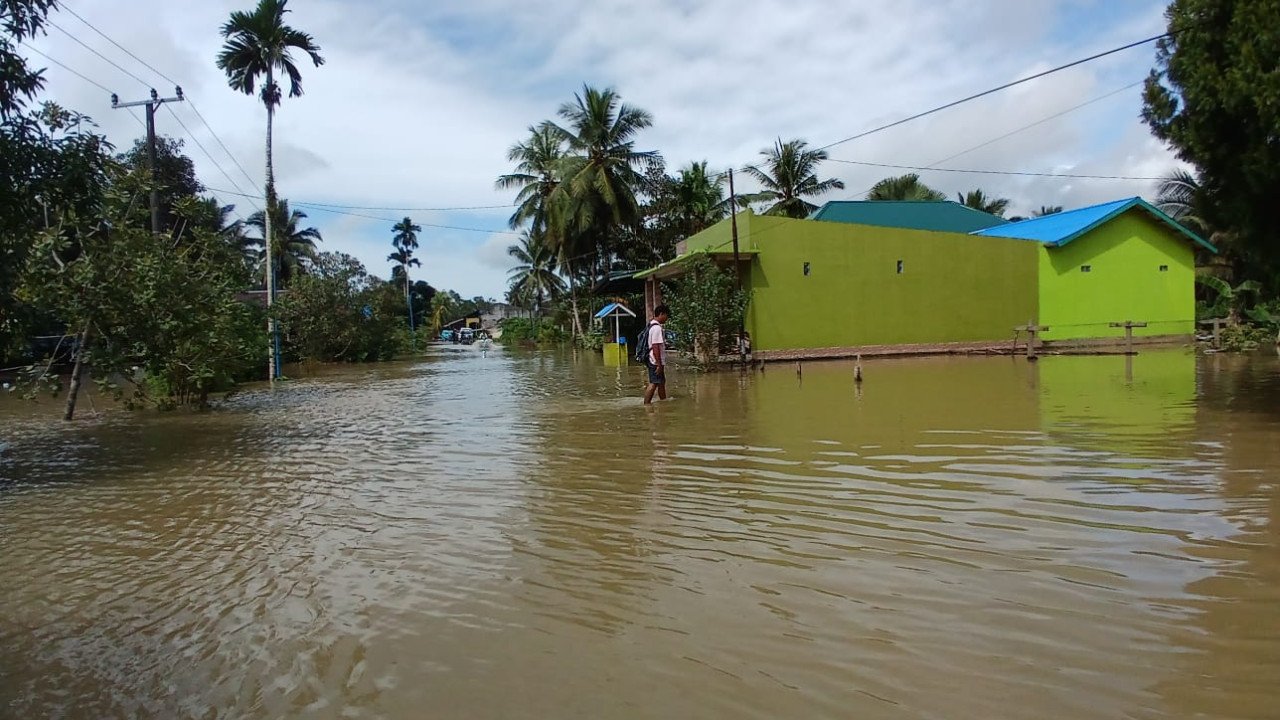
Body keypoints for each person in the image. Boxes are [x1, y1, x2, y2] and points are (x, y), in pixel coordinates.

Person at [643, 304, 670, 405]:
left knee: (661, 383)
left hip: (654, 360)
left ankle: (664, 402)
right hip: (655, 361)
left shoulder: (652, 326)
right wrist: (658, 364)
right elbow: (655, 347)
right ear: (661, 314)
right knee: (654, 383)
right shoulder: (657, 328)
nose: (667, 318)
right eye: (666, 315)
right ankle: (646, 405)